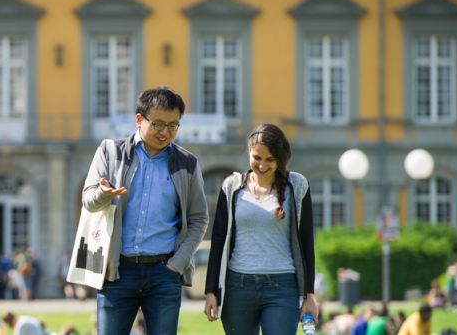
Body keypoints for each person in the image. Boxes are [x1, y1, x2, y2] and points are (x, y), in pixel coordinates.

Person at [81, 86, 209, 335]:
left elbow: (198, 218)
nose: (165, 132)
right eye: (158, 124)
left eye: (173, 125)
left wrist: (178, 263)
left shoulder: (188, 163)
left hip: (164, 273)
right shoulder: (109, 152)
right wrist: (103, 195)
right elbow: (88, 201)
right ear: (139, 119)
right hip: (117, 272)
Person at [203, 123, 317, 335]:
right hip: (237, 287)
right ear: (249, 153)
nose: (262, 165)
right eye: (257, 157)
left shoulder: (297, 186)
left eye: (270, 159)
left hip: (283, 287)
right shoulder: (231, 186)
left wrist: (309, 295)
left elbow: (306, 242)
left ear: (280, 159)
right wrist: (211, 292)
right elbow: (218, 240)